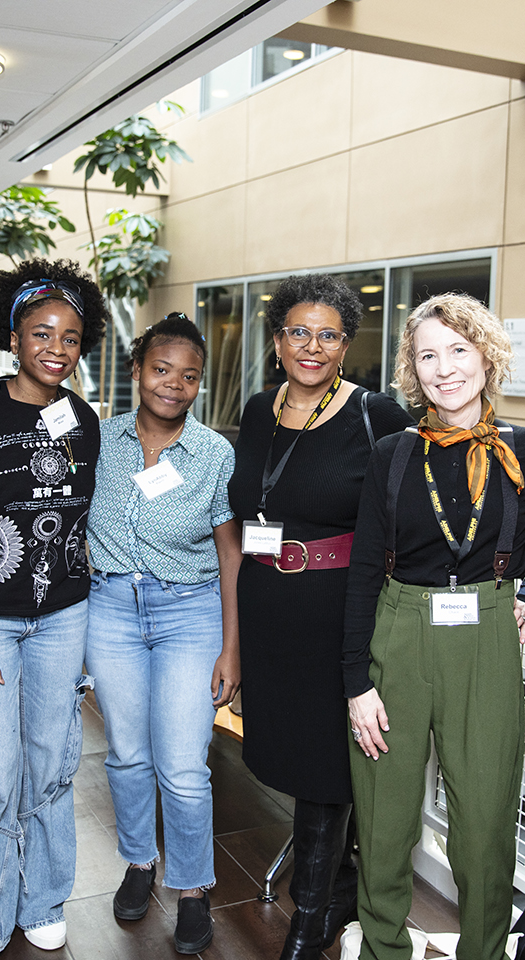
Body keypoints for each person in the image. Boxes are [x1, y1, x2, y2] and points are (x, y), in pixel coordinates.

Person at [343, 294, 525, 960]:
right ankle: (382, 949)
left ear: (487, 355)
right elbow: (361, 574)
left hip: (486, 640)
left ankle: (485, 952)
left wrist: (524, 585)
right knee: (384, 817)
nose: (444, 369)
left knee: (486, 822)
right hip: (399, 633)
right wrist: (356, 682)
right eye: (427, 355)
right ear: (413, 370)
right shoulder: (393, 454)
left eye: (458, 351)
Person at [227, 274, 414, 960]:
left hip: (339, 610)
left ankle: (309, 920)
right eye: (299, 332)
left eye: (328, 334)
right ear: (277, 342)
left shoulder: (379, 416)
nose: (313, 346)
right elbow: (246, 511)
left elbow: (410, 513)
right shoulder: (256, 409)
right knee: (296, 755)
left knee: (326, 764)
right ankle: (339, 884)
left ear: (346, 345)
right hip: (268, 604)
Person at [0, 257, 108, 960]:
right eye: (41, 333)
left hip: (64, 618)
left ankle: (42, 900)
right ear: (13, 337)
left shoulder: (82, 421)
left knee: (53, 763)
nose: (56, 348)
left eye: (70, 336)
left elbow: (82, 520)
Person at [85, 314, 240, 955]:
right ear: (136, 371)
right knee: (125, 754)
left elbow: (231, 555)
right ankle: (140, 860)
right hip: (111, 609)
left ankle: (193, 887)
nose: (173, 385)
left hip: (190, 612)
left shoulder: (213, 453)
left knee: (182, 764)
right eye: (160, 370)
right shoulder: (97, 439)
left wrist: (233, 645)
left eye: (189, 376)